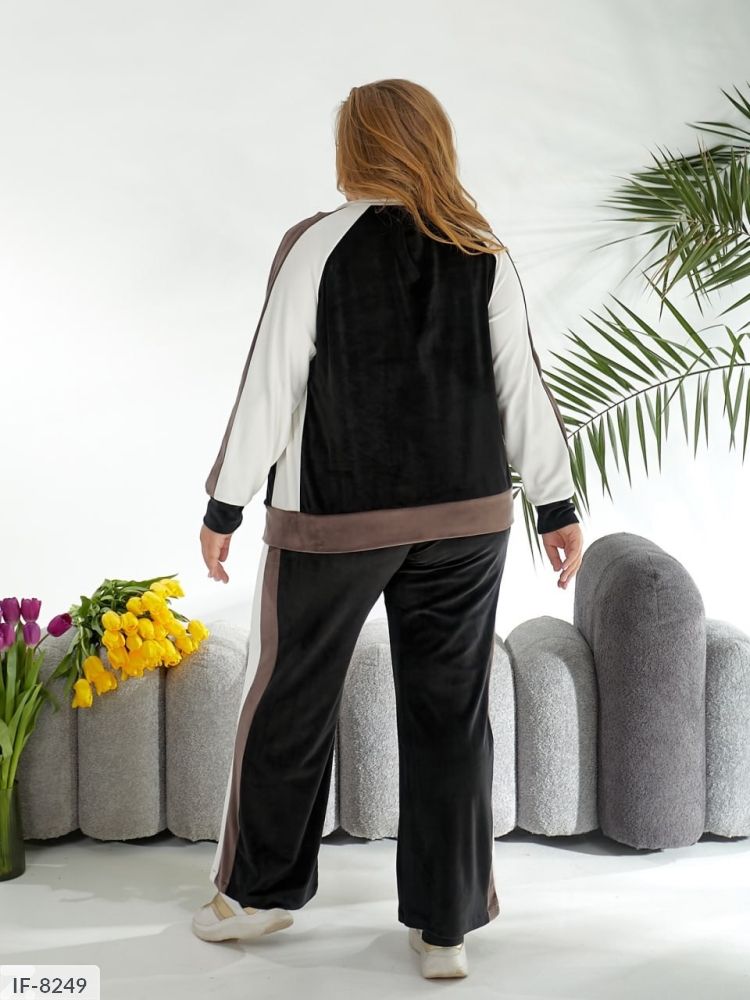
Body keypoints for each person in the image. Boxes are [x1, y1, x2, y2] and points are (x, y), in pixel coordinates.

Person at [191, 78, 584, 980]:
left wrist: (224, 504)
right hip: (467, 520)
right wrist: (556, 507)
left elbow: (271, 383)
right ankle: (446, 929)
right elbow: (522, 386)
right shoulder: (481, 250)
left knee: (290, 696)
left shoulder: (317, 244)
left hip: (334, 518)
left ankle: (257, 897)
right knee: (451, 713)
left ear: (355, 149)